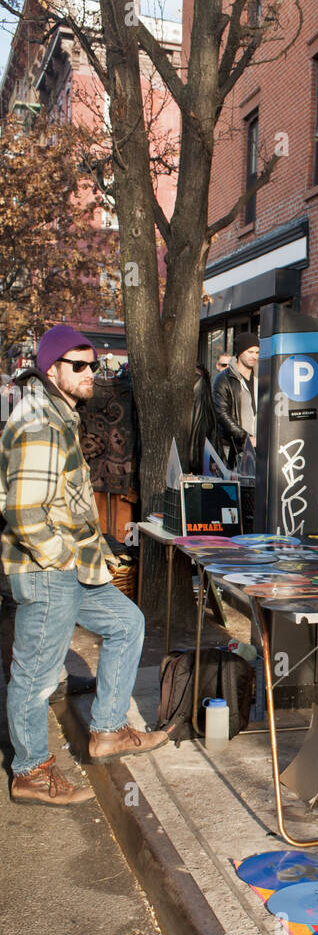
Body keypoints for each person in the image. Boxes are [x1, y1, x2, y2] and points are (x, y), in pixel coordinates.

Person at [0, 326, 168, 806]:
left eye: (93, 364)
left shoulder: (59, 414)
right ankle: (30, 771)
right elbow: (23, 511)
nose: (90, 372)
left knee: (126, 623)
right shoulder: (40, 424)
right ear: (52, 369)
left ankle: (109, 730)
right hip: (50, 569)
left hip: (75, 566)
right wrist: (59, 559)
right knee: (35, 675)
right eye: (79, 365)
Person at [212, 331, 259, 467]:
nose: (254, 356)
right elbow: (222, 413)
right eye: (250, 352)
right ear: (240, 352)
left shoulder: (262, 376)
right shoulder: (223, 379)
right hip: (233, 446)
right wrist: (245, 437)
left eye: (257, 352)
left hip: (259, 445)